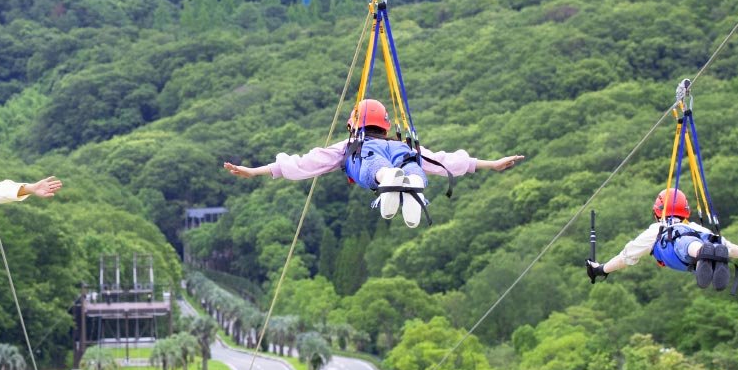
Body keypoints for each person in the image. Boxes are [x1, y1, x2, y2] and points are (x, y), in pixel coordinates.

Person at [222, 99, 525, 227]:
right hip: (401, 155)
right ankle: (411, 182)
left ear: (354, 124)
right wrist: (491, 164)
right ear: (385, 123)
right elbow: (445, 161)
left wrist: (254, 171)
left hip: (372, 162)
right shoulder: (400, 142)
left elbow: (302, 165)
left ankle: (387, 178)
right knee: (413, 165)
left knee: (370, 165)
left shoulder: (351, 145)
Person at [586, 188, 738, 290]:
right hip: (698, 244)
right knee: (713, 242)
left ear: (657, 211)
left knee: (681, 243)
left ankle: (704, 254)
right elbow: (730, 248)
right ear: (685, 211)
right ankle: (710, 256)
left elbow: (626, 257)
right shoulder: (692, 226)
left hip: (679, 253)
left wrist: (601, 269)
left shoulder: (657, 230)